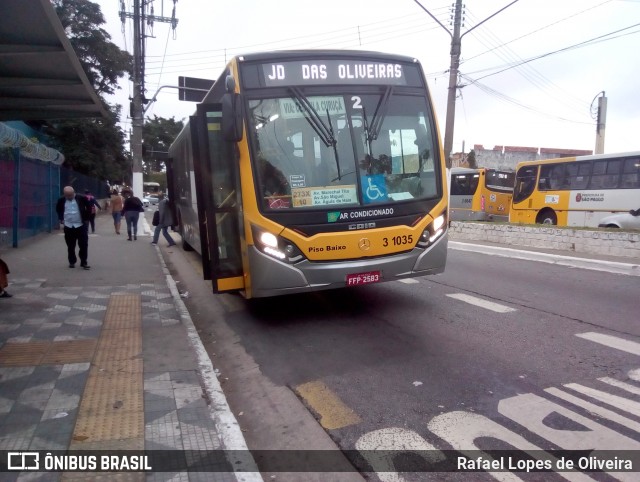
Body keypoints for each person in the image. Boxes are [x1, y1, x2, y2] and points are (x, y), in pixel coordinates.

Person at [55, 186, 92, 269]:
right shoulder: (61, 200)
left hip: (80, 225)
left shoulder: (82, 198)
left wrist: (86, 218)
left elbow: (89, 208)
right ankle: (72, 261)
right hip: (68, 225)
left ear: (73, 192)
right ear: (64, 194)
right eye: (67, 196)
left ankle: (83, 262)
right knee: (70, 245)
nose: (69, 197)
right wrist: (61, 218)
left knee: (83, 244)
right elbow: (58, 209)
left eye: (71, 195)